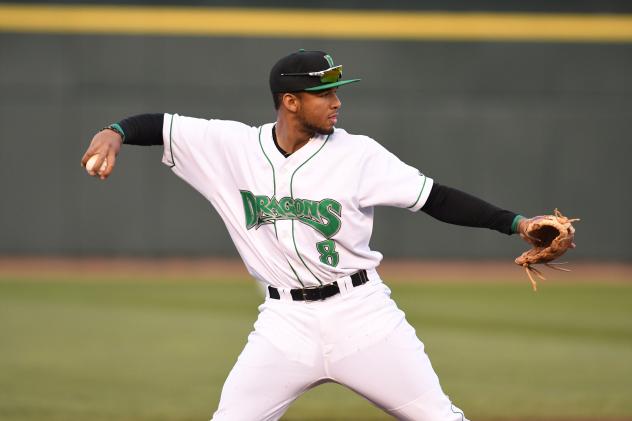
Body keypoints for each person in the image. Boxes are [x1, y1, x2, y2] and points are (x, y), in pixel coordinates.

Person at [82, 49, 537, 421]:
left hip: (362, 315)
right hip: (284, 324)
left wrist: (515, 223)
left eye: (337, 90)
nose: (336, 100)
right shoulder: (233, 146)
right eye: (323, 92)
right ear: (290, 101)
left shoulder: (359, 154)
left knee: (438, 418)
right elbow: (159, 125)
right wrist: (114, 132)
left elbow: (436, 198)